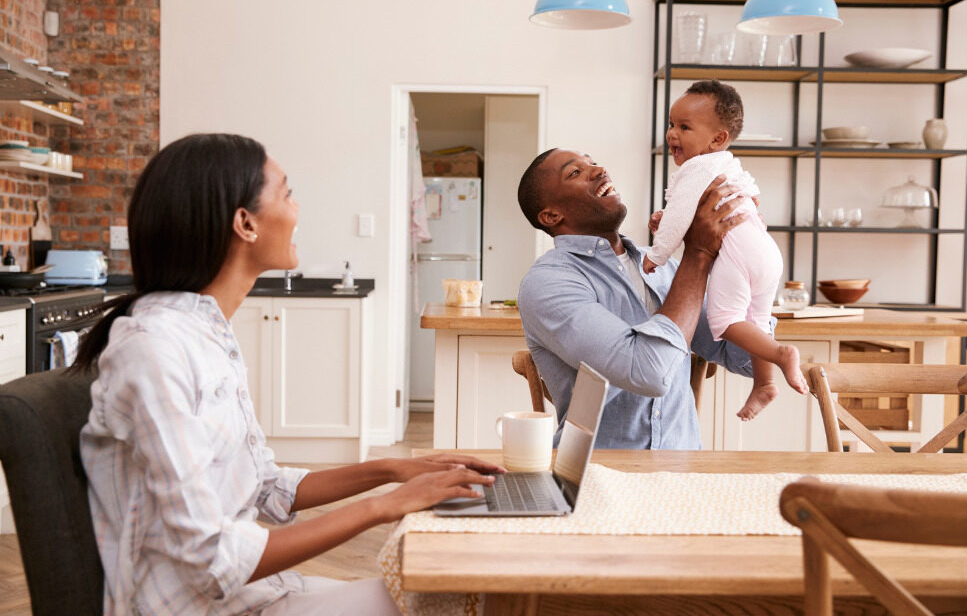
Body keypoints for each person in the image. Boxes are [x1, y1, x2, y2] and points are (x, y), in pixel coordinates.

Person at [75, 134, 500, 616]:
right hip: (207, 609)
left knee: (470, 590)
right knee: (471, 601)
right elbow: (211, 563)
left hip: (261, 593)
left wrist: (393, 471)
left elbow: (267, 487)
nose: (297, 209)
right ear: (246, 223)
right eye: (287, 193)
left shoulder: (205, 333)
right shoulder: (155, 351)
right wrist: (386, 505)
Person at [516, 145, 765, 450]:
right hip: (597, 473)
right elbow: (647, 373)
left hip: (681, 471)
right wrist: (698, 254)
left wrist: (747, 254)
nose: (599, 170)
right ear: (552, 215)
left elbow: (746, 359)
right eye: (576, 172)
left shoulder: (663, 268)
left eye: (593, 161)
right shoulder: (548, 283)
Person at [642, 80, 808, 420]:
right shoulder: (726, 166)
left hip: (739, 255)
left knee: (727, 320)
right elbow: (718, 208)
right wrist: (670, 220)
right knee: (756, 320)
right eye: (672, 124)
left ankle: (781, 354)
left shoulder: (697, 168)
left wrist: (655, 255)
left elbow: (682, 219)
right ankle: (765, 384)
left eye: (685, 127)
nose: (673, 134)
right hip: (763, 249)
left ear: (718, 139)